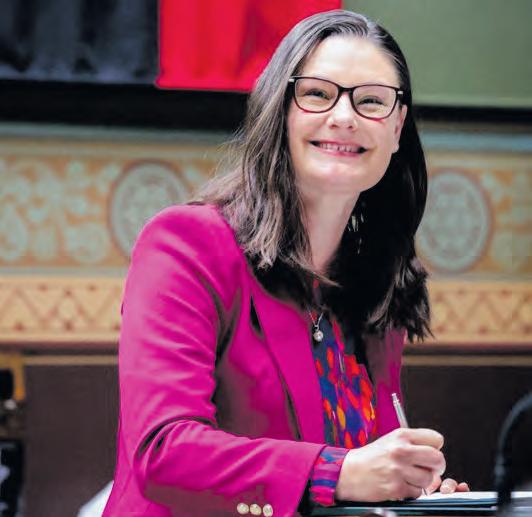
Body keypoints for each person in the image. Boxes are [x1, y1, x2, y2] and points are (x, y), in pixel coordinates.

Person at [103, 10, 468, 517]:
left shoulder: (376, 280)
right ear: (280, 110)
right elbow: (164, 449)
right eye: (318, 94)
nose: (345, 117)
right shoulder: (187, 244)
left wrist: (408, 491)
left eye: (371, 101)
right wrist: (340, 473)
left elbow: (356, 478)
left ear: (397, 126)